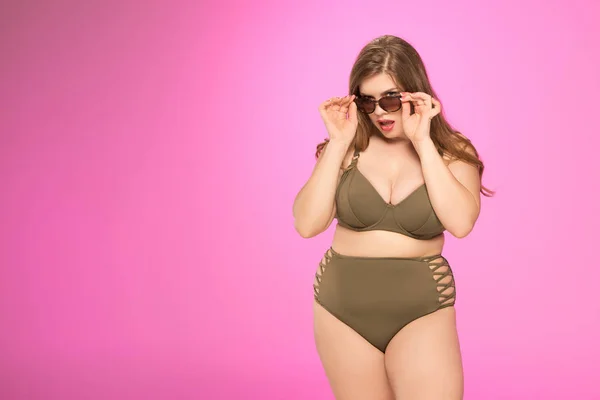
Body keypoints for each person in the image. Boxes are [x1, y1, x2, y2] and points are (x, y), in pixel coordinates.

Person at [292, 35, 493, 400]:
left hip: (421, 311)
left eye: (390, 99)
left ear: (416, 95)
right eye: (368, 101)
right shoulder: (347, 149)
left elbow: (461, 222)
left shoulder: (452, 152)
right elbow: (307, 224)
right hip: (341, 310)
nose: (380, 112)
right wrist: (337, 143)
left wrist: (423, 142)